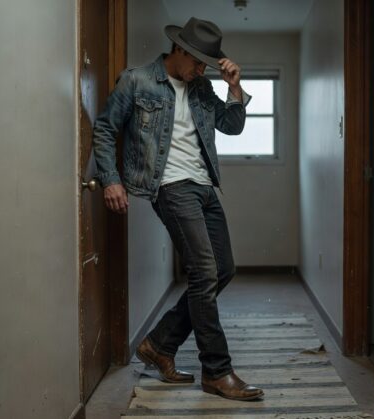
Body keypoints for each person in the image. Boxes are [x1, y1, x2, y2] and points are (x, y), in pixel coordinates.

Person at [92, 17, 263, 401]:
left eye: (208, 63)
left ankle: (159, 345)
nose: (202, 69)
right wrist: (110, 178)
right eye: (198, 61)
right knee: (203, 271)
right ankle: (217, 371)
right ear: (179, 50)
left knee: (222, 270)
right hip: (169, 186)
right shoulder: (136, 81)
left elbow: (231, 126)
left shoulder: (202, 87)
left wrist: (234, 88)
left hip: (204, 186)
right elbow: (105, 129)